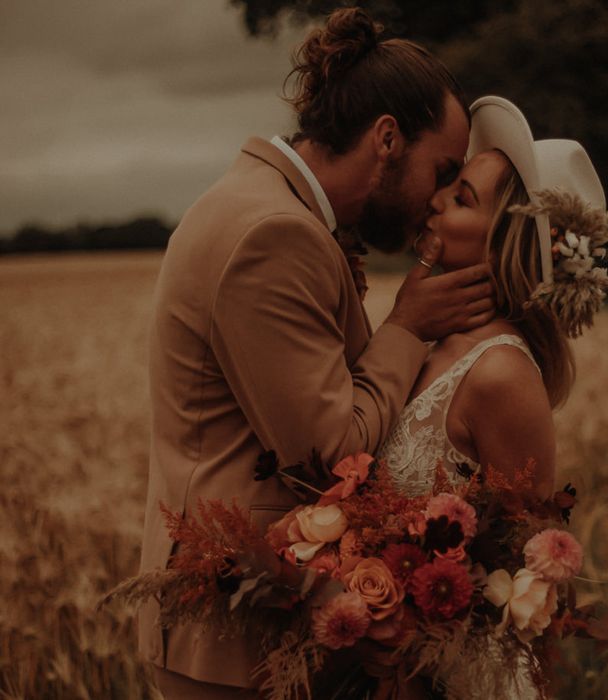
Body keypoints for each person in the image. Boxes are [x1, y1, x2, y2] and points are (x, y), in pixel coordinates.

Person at [138, 8, 497, 698]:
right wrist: (408, 326)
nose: (436, 201)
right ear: (387, 139)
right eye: (442, 169)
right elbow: (330, 453)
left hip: (238, 625)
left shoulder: (272, 209)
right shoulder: (275, 234)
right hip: (235, 637)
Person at [378, 97, 608, 695]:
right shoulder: (433, 341)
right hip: (401, 670)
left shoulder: (502, 375)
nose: (434, 201)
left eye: (461, 199)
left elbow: (529, 569)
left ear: (505, 243)